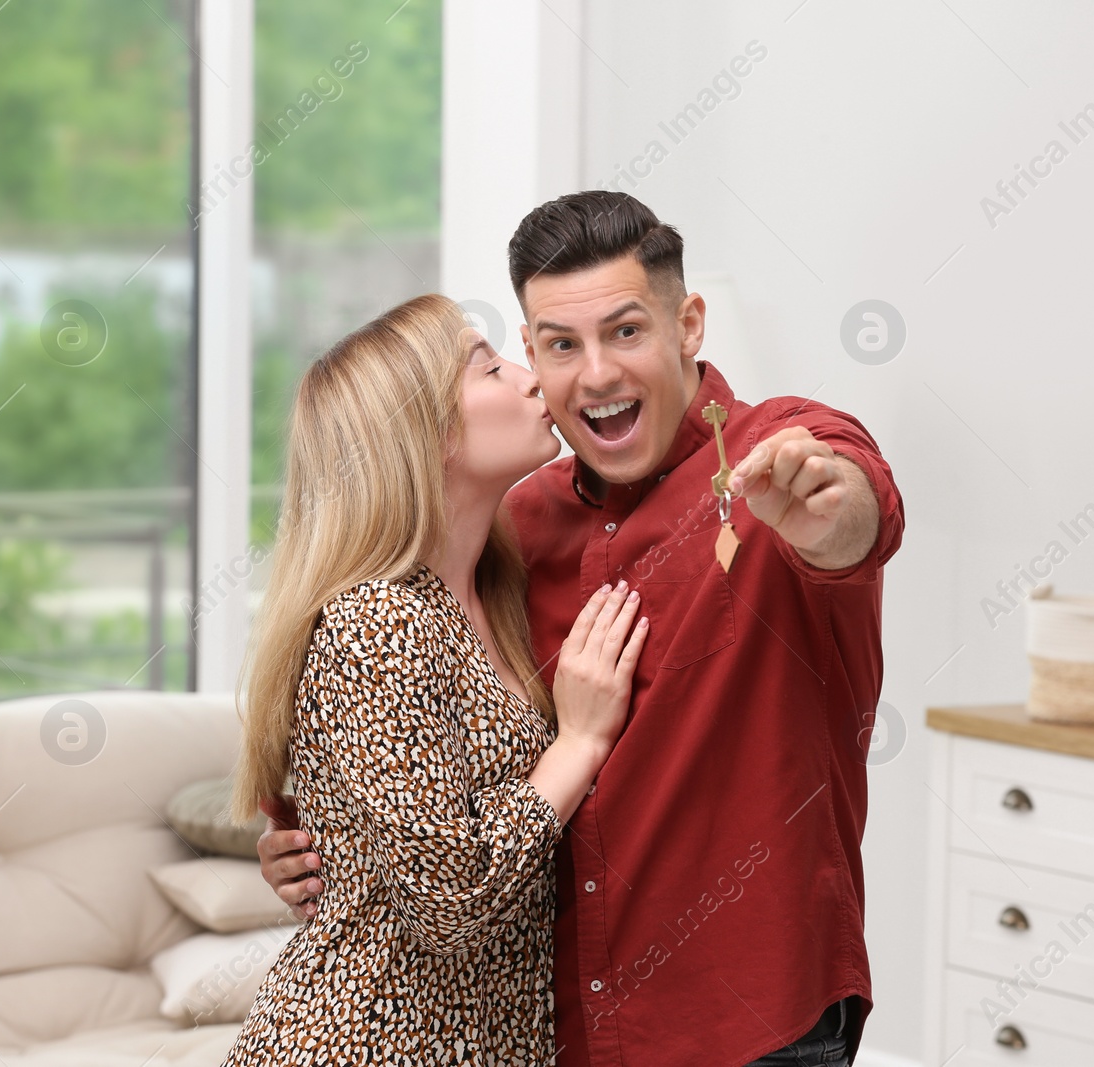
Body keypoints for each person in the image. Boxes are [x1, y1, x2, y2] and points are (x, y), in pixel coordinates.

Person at [259, 192, 905, 1066]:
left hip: (743, 1024)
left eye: (627, 331)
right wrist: (314, 849)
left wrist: (828, 510)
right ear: (533, 354)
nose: (594, 374)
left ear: (689, 325)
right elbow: (395, 768)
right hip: (556, 1028)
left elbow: (856, 512)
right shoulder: (508, 533)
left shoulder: (774, 454)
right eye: (561, 346)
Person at [223, 293, 649, 1065]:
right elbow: (449, 903)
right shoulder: (378, 621)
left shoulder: (497, 596)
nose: (529, 380)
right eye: (490, 367)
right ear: (428, 433)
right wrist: (579, 741)